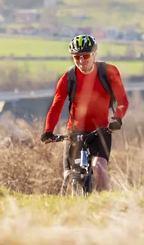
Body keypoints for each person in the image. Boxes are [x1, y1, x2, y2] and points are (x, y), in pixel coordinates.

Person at [41, 34, 129, 192]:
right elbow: (56, 106)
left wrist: (117, 119)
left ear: (94, 54)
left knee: (99, 168)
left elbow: (122, 100)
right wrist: (48, 130)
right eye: (77, 57)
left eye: (86, 56)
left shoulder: (108, 72)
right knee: (68, 176)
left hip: (101, 130)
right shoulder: (68, 78)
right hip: (75, 131)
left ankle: (105, 202)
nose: (81, 61)